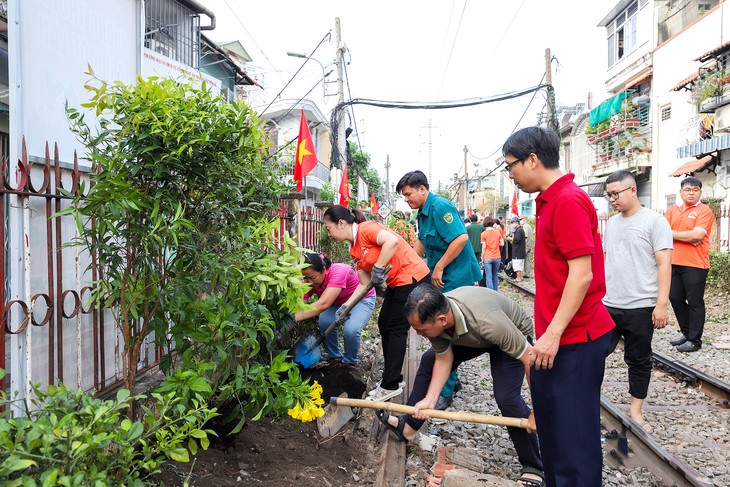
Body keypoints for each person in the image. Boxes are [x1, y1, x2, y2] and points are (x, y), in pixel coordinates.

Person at [503, 126, 615, 487]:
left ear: (532, 160)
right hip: (560, 337)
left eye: (512, 166)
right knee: (554, 433)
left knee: (574, 439)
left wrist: (551, 334)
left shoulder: (566, 200)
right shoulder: (549, 199)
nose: (511, 175)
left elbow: (582, 275)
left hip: (575, 337)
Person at [376, 284, 545, 487]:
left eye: (422, 330)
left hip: (510, 331)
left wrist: (538, 410)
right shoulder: (437, 315)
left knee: (507, 398)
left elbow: (529, 359)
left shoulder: (489, 322)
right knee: (430, 358)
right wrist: (430, 400)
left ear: (441, 320)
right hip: (477, 334)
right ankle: (409, 426)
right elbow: (443, 358)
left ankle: (534, 466)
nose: (419, 334)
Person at [322, 205, 430, 401]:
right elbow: (364, 283)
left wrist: (379, 267)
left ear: (341, 223)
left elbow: (391, 241)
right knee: (384, 324)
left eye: (329, 228)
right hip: (397, 283)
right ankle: (394, 378)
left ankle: (390, 385)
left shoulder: (366, 229)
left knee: (395, 328)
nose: (329, 234)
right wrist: (347, 306)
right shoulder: (353, 248)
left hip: (412, 277)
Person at [396, 170, 482, 411]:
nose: (407, 199)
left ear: (422, 189)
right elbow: (422, 243)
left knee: (445, 331)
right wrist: (407, 261)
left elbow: (460, 239)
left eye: (408, 194)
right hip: (441, 278)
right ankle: (451, 381)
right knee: (442, 329)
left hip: (455, 277)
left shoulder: (440, 207)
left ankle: (445, 391)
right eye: (404, 196)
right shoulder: (422, 215)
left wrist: (440, 267)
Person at [602, 170, 673, 432]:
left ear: (632, 190)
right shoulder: (611, 223)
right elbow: (607, 261)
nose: (612, 199)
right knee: (594, 352)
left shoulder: (655, 222)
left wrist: (661, 303)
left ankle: (636, 412)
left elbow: (664, 264)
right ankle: (587, 401)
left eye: (616, 193)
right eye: (609, 195)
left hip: (641, 305)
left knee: (639, 358)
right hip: (609, 303)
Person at [294, 252, 377, 365]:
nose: (309, 282)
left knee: (351, 330)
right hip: (337, 302)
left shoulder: (338, 272)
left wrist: (292, 318)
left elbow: (323, 304)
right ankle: (334, 357)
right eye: (305, 278)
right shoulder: (308, 282)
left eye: (312, 278)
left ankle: (350, 362)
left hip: (360, 300)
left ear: (323, 269)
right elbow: (300, 307)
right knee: (324, 322)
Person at [665, 176, 715, 353]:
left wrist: (674, 234)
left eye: (695, 190)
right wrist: (685, 236)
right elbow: (661, 232)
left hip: (695, 264)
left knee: (694, 302)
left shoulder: (704, 211)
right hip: (673, 262)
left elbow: (697, 236)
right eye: (687, 190)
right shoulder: (672, 210)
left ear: (700, 192)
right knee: (674, 298)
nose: (691, 193)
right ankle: (686, 333)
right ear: (681, 192)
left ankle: (695, 340)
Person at [481, 216, 502, 292]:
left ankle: (491, 293)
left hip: (488, 256)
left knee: (489, 276)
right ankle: (496, 292)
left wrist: (482, 257)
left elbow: (484, 247)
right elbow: (502, 243)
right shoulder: (497, 232)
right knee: (495, 275)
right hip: (497, 256)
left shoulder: (483, 234)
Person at [506, 216, 526, 282]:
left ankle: (518, 278)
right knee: (520, 265)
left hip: (518, 251)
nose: (512, 224)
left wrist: (510, 238)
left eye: (513, 222)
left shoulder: (519, 230)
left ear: (517, 223)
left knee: (517, 265)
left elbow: (517, 239)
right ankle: (520, 277)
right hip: (520, 251)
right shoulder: (520, 229)